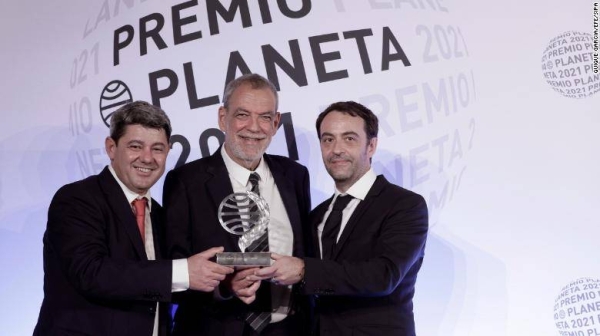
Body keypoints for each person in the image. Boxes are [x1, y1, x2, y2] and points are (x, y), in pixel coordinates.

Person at [33, 101, 233, 336]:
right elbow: (92, 273)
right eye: (136, 146)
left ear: (168, 151)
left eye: (157, 149)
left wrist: (224, 285)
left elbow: (158, 285)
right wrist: (183, 271)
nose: (147, 158)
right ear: (111, 147)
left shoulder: (159, 215)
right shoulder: (77, 199)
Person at [251, 101, 429, 336]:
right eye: (328, 139)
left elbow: (384, 275)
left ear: (371, 146)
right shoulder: (317, 216)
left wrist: (305, 270)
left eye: (349, 138)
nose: (336, 149)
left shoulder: (404, 205)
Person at [162, 73, 311, 335]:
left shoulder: (295, 176)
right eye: (243, 115)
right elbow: (175, 268)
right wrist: (226, 286)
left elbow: (305, 253)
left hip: (288, 329)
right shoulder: (186, 182)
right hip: (216, 328)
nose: (254, 127)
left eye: (265, 117)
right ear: (223, 118)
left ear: (276, 123)